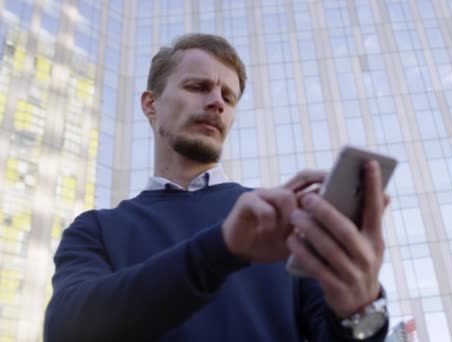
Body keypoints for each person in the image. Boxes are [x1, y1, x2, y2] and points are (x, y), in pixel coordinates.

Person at [44, 33, 390, 341]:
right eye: (198, 87)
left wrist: (360, 309)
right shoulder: (95, 229)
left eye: (229, 96)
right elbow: (65, 329)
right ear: (151, 104)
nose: (217, 102)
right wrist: (221, 249)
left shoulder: (282, 223)